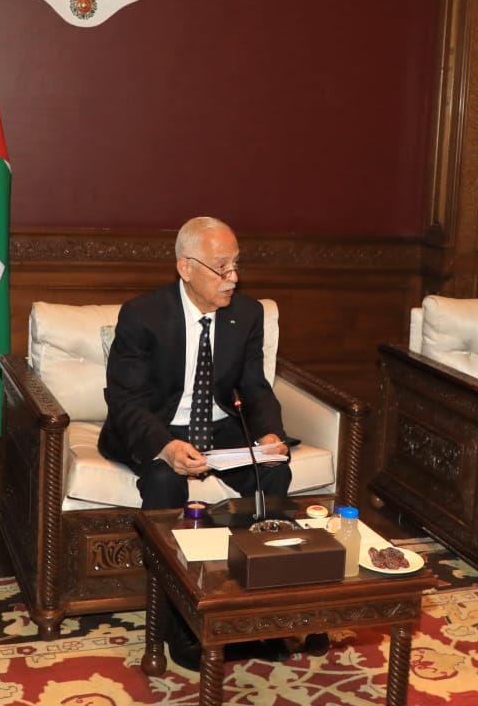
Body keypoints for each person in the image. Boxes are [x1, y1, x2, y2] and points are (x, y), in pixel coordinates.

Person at [98, 215, 304, 668]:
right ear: (186, 267)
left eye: (236, 264)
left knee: (274, 472)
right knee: (165, 484)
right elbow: (125, 400)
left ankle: (260, 611)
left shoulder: (247, 314)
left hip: (220, 427)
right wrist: (166, 447)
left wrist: (270, 433)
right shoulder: (143, 315)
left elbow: (255, 388)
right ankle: (180, 624)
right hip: (157, 426)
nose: (233, 277)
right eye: (221, 266)